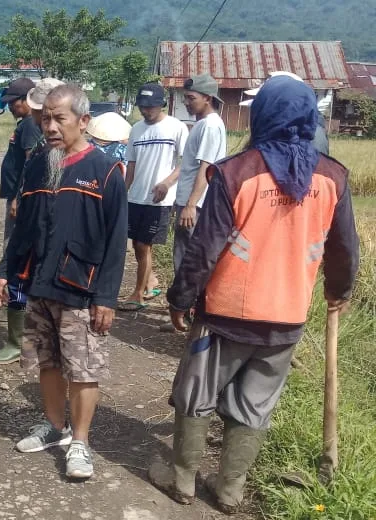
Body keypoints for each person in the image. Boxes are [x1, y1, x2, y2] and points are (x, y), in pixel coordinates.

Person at [149, 75, 358, 514]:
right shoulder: (334, 177)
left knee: (196, 392)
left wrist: (180, 299)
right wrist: (338, 292)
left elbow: (205, 248)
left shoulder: (235, 172)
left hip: (226, 314)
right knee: (255, 402)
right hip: (287, 316)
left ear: (262, 115)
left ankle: (183, 479)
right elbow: (344, 249)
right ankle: (229, 490)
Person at [0, 85, 127, 480]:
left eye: (59, 118)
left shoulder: (104, 170)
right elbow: (23, 229)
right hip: (39, 284)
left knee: (83, 369)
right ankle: (55, 427)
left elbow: (117, 239)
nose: (49, 126)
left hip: (81, 289)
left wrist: (106, 297)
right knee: (47, 362)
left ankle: (81, 443)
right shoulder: (38, 165)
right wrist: (5, 271)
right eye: (45, 118)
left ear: (83, 121)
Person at [0, 77, 40, 365]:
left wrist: (19, 197)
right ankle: (19, 331)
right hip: (19, 200)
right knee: (14, 263)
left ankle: (18, 341)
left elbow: (30, 166)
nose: (11, 109)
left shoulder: (31, 125)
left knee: (15, 262)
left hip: (23, 203)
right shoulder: (25, 125)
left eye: (13, 103)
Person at [120, 83, 187, 311]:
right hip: (136, 196)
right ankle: (150, 283)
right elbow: (131, 164)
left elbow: (185, 162)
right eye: (143, 106)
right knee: (138, 246)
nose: (146, 110)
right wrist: (123, 190)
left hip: (159, 199)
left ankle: (138, 294)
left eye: (151, 106)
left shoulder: (176, 128)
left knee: (143, 244)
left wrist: (167, 183)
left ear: (162, 105)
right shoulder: (136, 129)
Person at [173, 74, 226, 270]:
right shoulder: (201, 124)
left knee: (190, 259)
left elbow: (206, 167)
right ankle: (181, 299)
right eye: (185, 97)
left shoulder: (211, 125)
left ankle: (187, 300)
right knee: (183, 254)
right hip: (189, 201)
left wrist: (191, 204)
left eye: (191, 98)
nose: (186, 103)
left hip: (197, 205)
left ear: (208, 98)